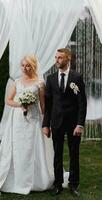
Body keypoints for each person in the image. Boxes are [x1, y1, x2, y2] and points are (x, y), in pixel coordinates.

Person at [0, 55, 53, 195]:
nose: (25, 68)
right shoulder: (17, 81)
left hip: (33, 119)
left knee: (32, 148)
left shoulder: (40, 83)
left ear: (33, 67)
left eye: (28, 66)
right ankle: (14, 177)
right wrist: (21, 104)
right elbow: (8, 100)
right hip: (18, 120)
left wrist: (46, 123)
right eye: (23, 65)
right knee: (17, 147)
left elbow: (43, 106)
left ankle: (34, 179)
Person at [42, 48, 87, 197]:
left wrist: (80, 124)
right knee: (57, 154)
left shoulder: (77, 77)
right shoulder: (51, 78)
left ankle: (73, 185)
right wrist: (45, 125)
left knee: (74, 154)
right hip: (56, 122)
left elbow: (82, 103)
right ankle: (58, 184)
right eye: (56, 58)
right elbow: (48, 105)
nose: (56, 60)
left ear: (68, 59)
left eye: (60, 58)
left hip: (73, 123)